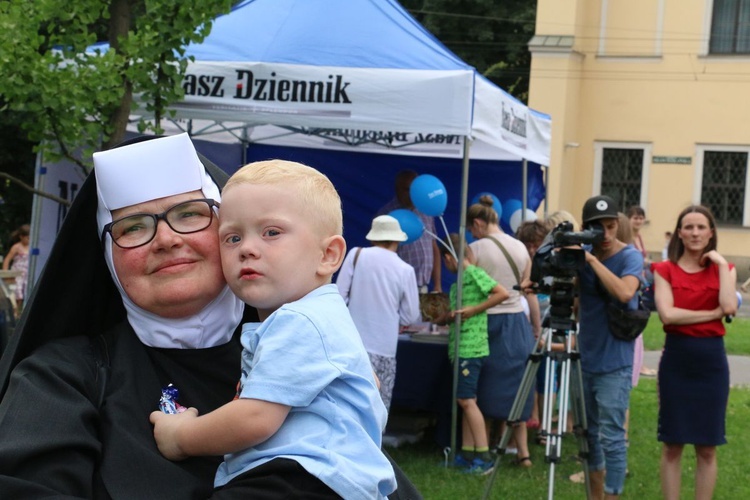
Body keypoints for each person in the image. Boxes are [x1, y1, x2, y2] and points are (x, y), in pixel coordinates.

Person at [0, 134, 419, 499]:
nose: (165, 239)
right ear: (107, 258)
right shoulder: (59, 380)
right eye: (132, 227)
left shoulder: (311, 355)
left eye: (189, 215)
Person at [150, 159, 397, 498]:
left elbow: (255, 419)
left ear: (328, 255)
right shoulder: (323, 316)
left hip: (304, 477)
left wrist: (181, 437)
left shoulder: (299, 320)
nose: (248, 249)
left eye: (272, 233)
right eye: (232, 237)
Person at [651, 205, 737, 500]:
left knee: (707, 446)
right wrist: (710, 312)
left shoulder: (723, 269)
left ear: (711, 232)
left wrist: (722, 262)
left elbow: (729, 306)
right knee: (673, 444)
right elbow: (668, 315)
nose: (695, 233)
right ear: (679, 233)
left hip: (711, 362)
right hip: (677, 359)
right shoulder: (665, 269)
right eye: (689, 227)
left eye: (701, 227)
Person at [576, 195, 643, 499]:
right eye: (597, 227)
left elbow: (625, 292)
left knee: (613, 438)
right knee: (588, 436)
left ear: (618, 224)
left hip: (615, 362)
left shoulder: (630, 257)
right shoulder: (581, 255)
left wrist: (590, 260)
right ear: (584, 228)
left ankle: (613, 495)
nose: (604, 233)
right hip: (585, 358)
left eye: (610, 226)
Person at [467, 195, 535, 468]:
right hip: (517, 320)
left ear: (478, 223)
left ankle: (479, 446)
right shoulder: (520, 247)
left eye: (472, 228)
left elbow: (472, 286)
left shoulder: (476, 248)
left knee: (482, 388)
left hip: (488, 322)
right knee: (517, 385)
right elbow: (526, 282)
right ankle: (523, 452)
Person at [434, 233, 509, 474]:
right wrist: (447, 317)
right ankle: (468, 453)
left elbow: (502, 293)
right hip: (460, 347)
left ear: (449, 258)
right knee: (464, 400)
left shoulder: (474, 274)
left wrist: (474, 310)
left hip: (471, 348)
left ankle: (484, 456)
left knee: (467, 401)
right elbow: (459, 312)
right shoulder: (457, 283)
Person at [337, 214, 421, 412]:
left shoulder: (356, 255)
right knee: (379, 407)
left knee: (349, 403)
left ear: (373, 237)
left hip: (353, 343)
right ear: (397, 240)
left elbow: (339, 296)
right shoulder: (405, 269)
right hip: (386, 346)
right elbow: (411, 315)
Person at [377, 169, 442, 293]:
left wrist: (437, 285)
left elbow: (433, 248)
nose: (412, 193)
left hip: (423, 287)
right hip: (397, 289)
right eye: (407, 189)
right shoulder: (387, 215)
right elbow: (380, 255)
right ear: (398, 190)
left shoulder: (425, 209)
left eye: (414, 188)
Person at [626, 206, 657, 377]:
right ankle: (637, 364)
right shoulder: (628, 237)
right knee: (635, 322)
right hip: (634, 283)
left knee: (639, 323)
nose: (638, 221)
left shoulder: (639, 237)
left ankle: (639, 363)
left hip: (641, 282)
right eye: (635, 217)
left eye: (640, 218)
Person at [2, 223, 30, 315]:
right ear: (21, 237)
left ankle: (19, 312)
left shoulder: (31, 247)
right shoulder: (16, 247)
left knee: (25, 293)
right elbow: (7, 260)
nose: (29, 240)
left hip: (26, 274)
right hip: (17, 274)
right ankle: (15, 312)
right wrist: (5, 274)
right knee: (17, 293)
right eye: (27, 238)